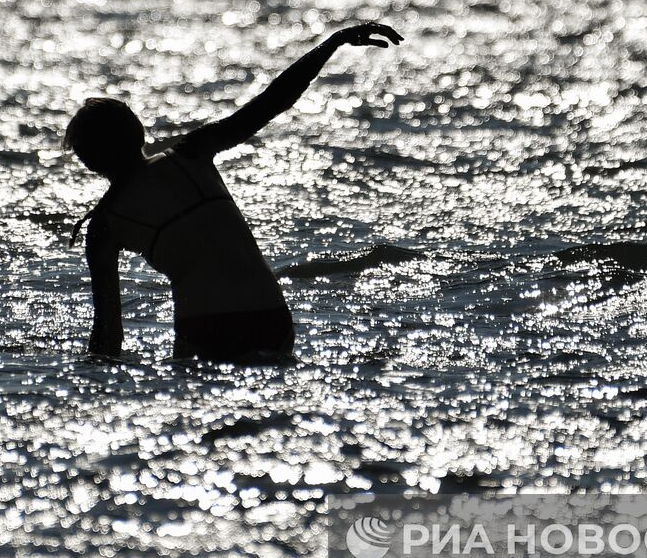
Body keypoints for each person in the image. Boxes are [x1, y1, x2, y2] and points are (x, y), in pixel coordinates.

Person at [65, 22, 404, 361]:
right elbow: (273, 100)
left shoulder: (103, 226)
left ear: (86, 160)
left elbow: (107, 337)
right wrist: (333, 42)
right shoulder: (191, 153)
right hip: (272, 318)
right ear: (138, 132)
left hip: (205, 328)